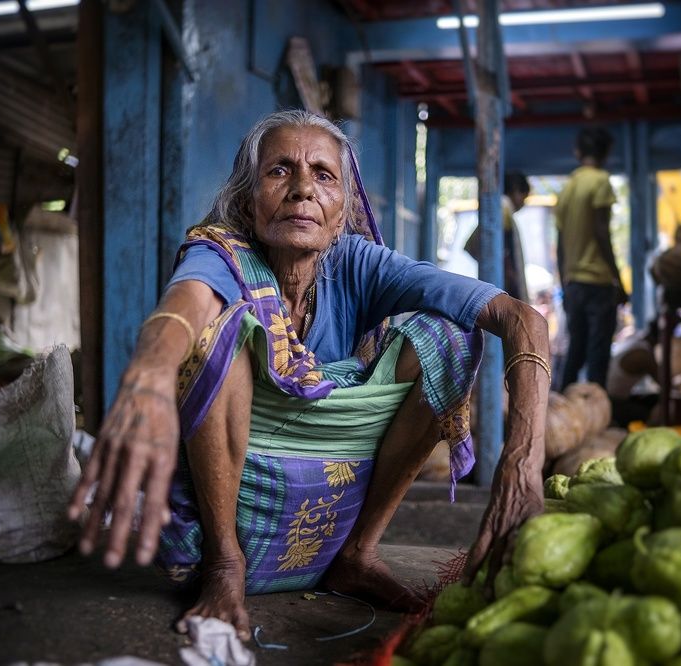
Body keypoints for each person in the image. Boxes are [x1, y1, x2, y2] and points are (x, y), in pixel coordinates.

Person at [67, 110, 551, 639]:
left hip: (326, 515)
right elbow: (187, 305)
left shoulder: (359, 263)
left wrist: (522, 462)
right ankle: (226, 565)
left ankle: (358, 554)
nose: (302, 190)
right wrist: (148, 375)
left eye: (323, 175)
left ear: (342, 211)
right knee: (219, 330)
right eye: (279, 171)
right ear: (249, 201)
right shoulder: (222, 254)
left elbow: (519, 317)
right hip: (230, 509)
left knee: (450, 337)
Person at [555, 127, 626, 390]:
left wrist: (565, 282)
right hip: (598, 283)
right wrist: (618, 280)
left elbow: (561, 244)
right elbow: (601, 232)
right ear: (605, 153)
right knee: (598, 355)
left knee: (575, 351)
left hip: (574, 283)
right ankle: (598, 414)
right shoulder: (600, 181)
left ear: (578, 152)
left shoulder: (568, 187)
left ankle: (562, 408)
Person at [465, 171, 530, 302]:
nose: (523, 203)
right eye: (524, 197)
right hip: (504, 286)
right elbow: (473, 244)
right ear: (516, 191)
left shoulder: (502, 207)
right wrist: (506, 270)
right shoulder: (503, 207)